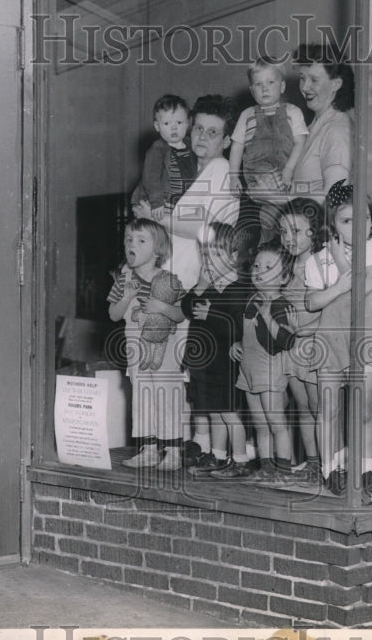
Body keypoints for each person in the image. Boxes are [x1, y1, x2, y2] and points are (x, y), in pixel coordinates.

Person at [304, 181, 372, 496]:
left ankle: (367, 466)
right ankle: (331, 470)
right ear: (332, 224)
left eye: (364, 218)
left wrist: (338, 257)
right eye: (347, 220)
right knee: (328, 409)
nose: (358, 226)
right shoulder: (315, 259)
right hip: (331, 338)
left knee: (362, 410)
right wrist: (333, 276)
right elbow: (311, 302)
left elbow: (364, 285)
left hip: (363, 338)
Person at [139, 94, 241, 291]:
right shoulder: (185, 169)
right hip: (167, 272)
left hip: (189, 280)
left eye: (212, 132)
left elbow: (206, 229)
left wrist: (154, 217)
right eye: (198, 128)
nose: (202, 137)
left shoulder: (222, 169)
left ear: (227, 141)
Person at [108, 218, 187, 470]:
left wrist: (162, 306)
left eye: (141, 240)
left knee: (167, 397)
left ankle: (173, 452)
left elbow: (182, 314)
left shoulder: (169, 280)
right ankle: (148, 449)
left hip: (165, 352)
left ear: (157, 251)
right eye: (129, 239)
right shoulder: (123, 279)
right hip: (137, 352)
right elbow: (114, 315)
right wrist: (127, 297)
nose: (132, 244)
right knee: (142, 399)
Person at [180, 221, 253, 478]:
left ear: (234, 256)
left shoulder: (239, 289)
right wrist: (200, 285)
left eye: (217, 254)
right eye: (206, 255)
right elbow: (187, 308)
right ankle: (219, 456)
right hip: (208, 364)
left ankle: (241, 459)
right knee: (215, 412)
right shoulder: (209, 286)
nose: (210, 261)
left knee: (229, 413)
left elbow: (238, 328)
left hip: (227, 364)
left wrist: (211, 314)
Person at [233, 243, 297, 483]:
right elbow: (247, 335)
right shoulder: (252, 300)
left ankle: (284, 471)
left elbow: (286, 341)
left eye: (268, 267)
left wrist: (269, 316)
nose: (259, 270)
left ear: (283, 277)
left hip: (269, 372)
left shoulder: (282, 305)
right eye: (257, 265)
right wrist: (236, 345)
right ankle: (267, 467)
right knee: (260, 424)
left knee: (276, 423)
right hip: (248, 371)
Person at [229, 57, 309, 243]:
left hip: (285, 177)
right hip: (259, 178)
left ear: (281, 87)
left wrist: (289, 169)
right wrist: (233, 175)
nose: (264, 88)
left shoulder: (292, 111)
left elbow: (300, 142)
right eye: (258, 84)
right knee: (268, 223)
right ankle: (267, 253)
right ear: (251, 90)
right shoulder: (247, 115)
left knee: (291, 222)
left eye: (270, 82)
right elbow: (237, 146)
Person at [277, 197, 325, 485]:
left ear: (315, 230)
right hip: (292, 347)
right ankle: (313, 462)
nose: (288, 239)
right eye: (283, 232)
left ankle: (330, 463)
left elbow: (332, 310)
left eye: (296, 231)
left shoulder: (321, 264)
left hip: (314, 346)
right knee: (303, 406)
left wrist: (309, 331)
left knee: (321, 408)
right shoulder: (287, 265)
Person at [288, 43, 354, 203]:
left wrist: (278, 199)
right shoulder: (312, 127)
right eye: (302, 78)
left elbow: (334, 196)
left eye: (314, 80)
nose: (305, 87)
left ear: (336, 84)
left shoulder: (337, 130)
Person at [130, 94, 198, 221]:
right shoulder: (158, 148)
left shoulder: (191, 146)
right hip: (160, 202)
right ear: (157, 126)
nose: (173, 127)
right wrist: (156, 202)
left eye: (179, 122)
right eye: (166, 123)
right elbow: (151, 177)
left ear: (187, 123)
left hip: (179, 203)